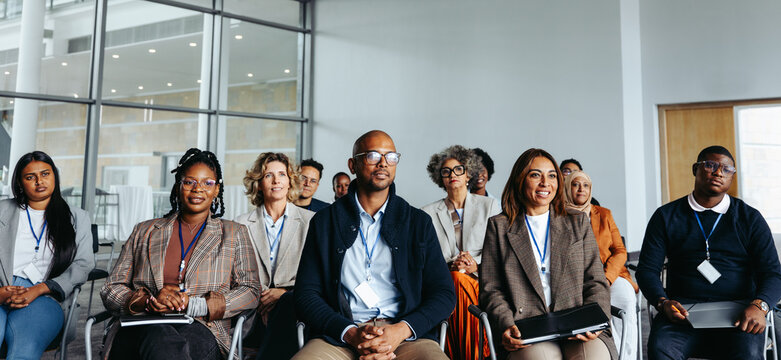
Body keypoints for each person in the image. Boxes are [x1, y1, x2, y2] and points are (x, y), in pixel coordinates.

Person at [293, 130, 455, 360]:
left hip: (405, 337)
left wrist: (400, 331)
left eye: (391, 157)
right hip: (341, 337)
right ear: (353, 165)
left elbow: (444, 293)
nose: (383, 163)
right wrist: (350, 333)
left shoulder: (418, 222)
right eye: (372, 156)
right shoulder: (324, 222)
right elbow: (306, 294)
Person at [101, 148, 260, 360]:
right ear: (178, 187)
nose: (198, 189)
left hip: (203, 326)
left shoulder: (234, 233)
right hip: (142, 324)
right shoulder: (145, 231)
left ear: (216, 190)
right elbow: (111, 288)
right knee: (160, 338)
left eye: (207, 183)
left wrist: (195, 305)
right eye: (189, 182)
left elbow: (251, 290)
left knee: (173, 345)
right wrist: (146, 301)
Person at [636, 145, 781, 360]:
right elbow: (647, 270)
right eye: (710, 165)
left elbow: (772, 272)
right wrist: (662, 302)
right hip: (683, 314)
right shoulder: (666, 216)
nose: (718, 172)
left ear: (732, 176)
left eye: (726, 169)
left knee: (749, 354)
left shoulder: (749, 218)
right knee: (661, 349)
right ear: (695, 169)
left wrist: (760, 305)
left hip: (739, 313)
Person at [479, 148, 617, 360]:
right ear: (520, 179)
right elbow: (492, 289)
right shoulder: (499, 226)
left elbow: (595, 280)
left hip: (577, 323)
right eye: (536, 175)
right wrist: (506, 324)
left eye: (552, 175)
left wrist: (595, 319)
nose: (546, 183)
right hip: (528, 327)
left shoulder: (577, 221)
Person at [0, 151, 93, 359]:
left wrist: (41, 289)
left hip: (45, 296)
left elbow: (83, 264)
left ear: (54, 176)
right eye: (30, 177)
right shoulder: (2, 210)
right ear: (20, 182)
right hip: (1, 290)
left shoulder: (77, 217)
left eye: (45, 174)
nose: (39, 181)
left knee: (23, 347)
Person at [422, 145, 501, 360]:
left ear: (468, 174)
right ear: (441, 179)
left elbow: (499, 250)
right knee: (455, 278)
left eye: (458, 169)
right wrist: (451, 264)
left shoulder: (489, 205)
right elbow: (427, 257)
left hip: (481, 280)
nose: (452, 175)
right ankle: (474, 353)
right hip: (446, 278)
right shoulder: (427, 214)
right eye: (446, 171)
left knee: (459, 279)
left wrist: (475, 264)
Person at [236, 152, 314, 359]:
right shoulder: (241, 224)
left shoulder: (312, 222)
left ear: (290, 181)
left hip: (296, 307)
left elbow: (316, 274)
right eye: (269, 175)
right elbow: (235, 272)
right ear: (259, 184)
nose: (276, 180)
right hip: (253, 307)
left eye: (282, 174)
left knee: (286, 308)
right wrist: (264, 298)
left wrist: (283, 294)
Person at [563, 170, 639, 360]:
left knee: (625, 298)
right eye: (575, 184)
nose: (581, 189)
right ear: (567, 188)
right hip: (576, 280)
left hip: (610, 275)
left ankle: (627, 357)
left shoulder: (604, 214)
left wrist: (606, 277)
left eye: (586, 185)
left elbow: (620, 251)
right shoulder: (558, 216)